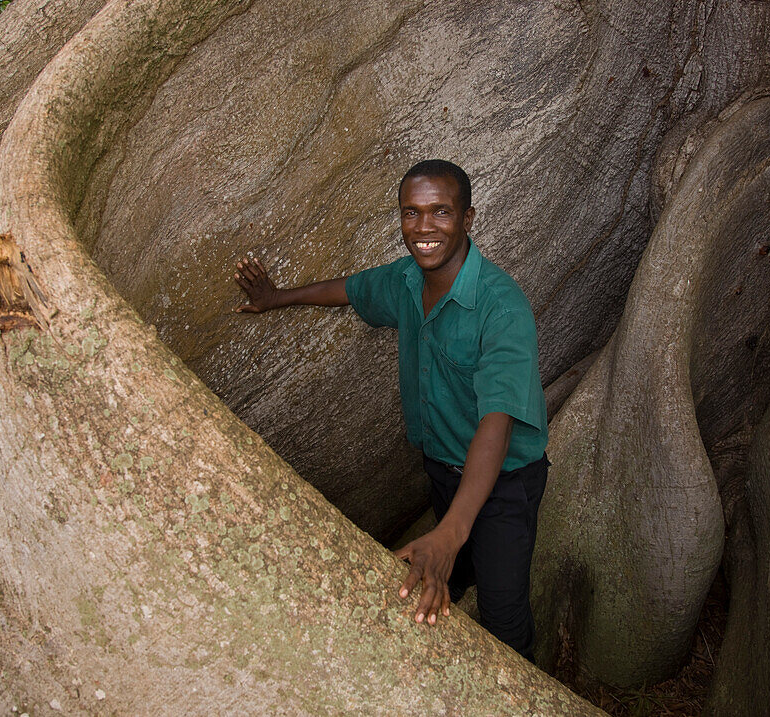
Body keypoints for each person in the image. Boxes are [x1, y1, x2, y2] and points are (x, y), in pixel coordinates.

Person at [233, 159, 548, 661]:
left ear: (468, 218)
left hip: (506, 479)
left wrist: (451, 531)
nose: (424, 228)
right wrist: (276, 298)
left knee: (504, 613)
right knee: (459, 562)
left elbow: (499, 423)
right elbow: (350, 290)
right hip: (444, 467)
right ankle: (454, 569)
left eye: (440, 212)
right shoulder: (405, 280)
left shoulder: (501, 307)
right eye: (411, 213)